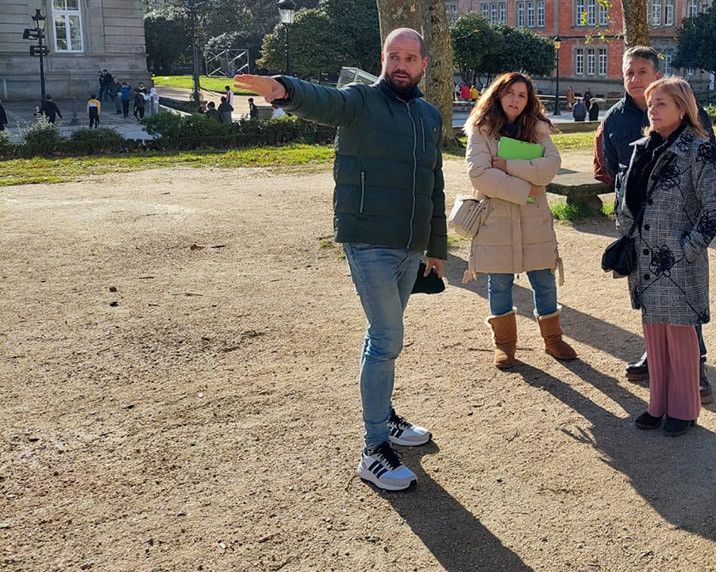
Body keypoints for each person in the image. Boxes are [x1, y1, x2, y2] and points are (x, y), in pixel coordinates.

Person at [234, 27, 445, 493]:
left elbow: (434, 184)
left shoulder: (430, 116)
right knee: (388, 336)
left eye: (411, 57)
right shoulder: (361, 101)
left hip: (410, 246)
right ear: (383, 58)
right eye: (394, 56)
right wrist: (284, 89)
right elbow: (325, 101)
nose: (401, 64)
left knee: (383, 339)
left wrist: (436, 247)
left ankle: (385, 419)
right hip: (368, 241)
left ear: (424, 64)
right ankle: (373, 450)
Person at [598, 46, 716, 398]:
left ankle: (696, 372)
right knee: (652, 311)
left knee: (683, 313)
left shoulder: (695, 125)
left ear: (657, 75)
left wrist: (690, 243)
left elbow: (711, 188)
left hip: (677, 240)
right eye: (628, 72)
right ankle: (658, 374)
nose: (634, 79)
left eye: (641, 71)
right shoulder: (615, 120)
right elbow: (613, 170)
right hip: (641, 238)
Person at [615, 77, 716, 437]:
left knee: (680, 339)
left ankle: (683, 409)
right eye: (650, 103)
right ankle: (658, 404)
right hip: (645, 257)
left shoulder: (698, 150)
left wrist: (690, 247)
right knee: (654, 335)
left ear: (683, 107)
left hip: (677, 262)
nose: (653, 109)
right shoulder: (641, 147)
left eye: (662, 102)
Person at [464, 72, 576, 369]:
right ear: (498, 94)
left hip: (533, 220)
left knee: (544, 281)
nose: (515, 99)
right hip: (497, 219)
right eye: (510, 93)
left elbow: (550, 168)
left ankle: (553, 339)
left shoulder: (538, 129)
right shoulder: (481, 129)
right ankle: (505, 345)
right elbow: (479, 174)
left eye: (522, 95)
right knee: (499, 283)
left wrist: (507, 164)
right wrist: (525, 189)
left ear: (529, 101)